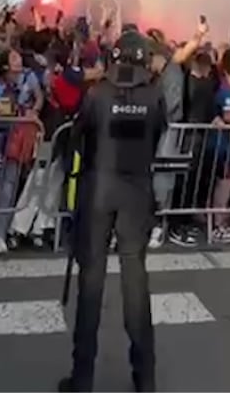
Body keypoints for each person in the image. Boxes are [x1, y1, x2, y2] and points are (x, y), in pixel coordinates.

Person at [60, 28, 165, 393]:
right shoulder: (154, 96)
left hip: (97, 192)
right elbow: (156, 135)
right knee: (136, 283)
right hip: (136, 193)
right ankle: (145, 379)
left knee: (91, 284)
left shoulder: (97, 94)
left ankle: (82, 379)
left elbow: (75, 139)